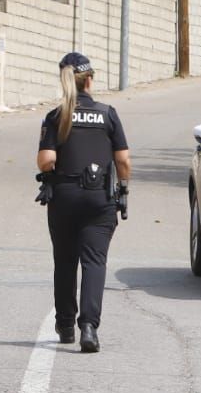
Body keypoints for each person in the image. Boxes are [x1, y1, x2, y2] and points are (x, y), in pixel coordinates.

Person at [36, 52, 131, 351]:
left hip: (64, 197)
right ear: (90, 79)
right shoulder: (107, 113)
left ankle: (65, 325)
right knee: (94, 262)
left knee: (65, 261)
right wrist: (123, 188)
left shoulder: (56, 116)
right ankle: (89, 327)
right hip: (98, 198)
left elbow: (46, 160)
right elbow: (123, 160)